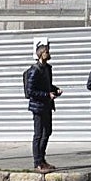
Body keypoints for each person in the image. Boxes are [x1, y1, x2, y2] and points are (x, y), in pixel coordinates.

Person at [24, 40, 62, 172]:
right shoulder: (35, 70)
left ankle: (42, 159)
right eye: (46, 52)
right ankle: (37, 162)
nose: (48, 53)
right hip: (38, 106)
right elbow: (31, 91)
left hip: (47, 105)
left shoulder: (47, 68)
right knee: (38, 134)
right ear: (40, 54)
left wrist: (55, 90)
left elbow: (47, 85)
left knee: (47, 132)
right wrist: (47, 95)